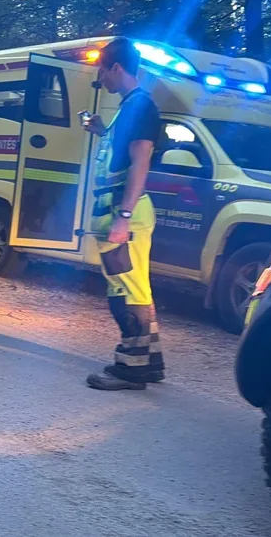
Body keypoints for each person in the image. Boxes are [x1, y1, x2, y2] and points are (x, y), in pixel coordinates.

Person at [82, 38, 164, 390]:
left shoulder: (139, 105)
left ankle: (131, 369)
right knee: (136, 287)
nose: (101, 79)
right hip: (118, 210)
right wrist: (102, 130)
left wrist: (124, 216)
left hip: (122, 211)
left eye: (103, 70)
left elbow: (140, 160)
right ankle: (151, 362)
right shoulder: (131, 106)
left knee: (124, 291)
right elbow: (122, 152)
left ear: (116, 67)